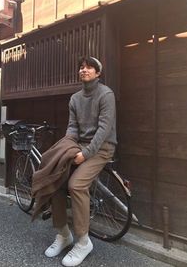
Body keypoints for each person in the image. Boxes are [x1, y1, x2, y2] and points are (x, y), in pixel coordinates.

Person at [44, 56, 117, 266]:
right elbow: (73, 128)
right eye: (82, 67)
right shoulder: (75, 98)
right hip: (80, 145)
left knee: (76, 185)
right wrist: (67, 146)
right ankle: (63, 234)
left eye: (89, 67)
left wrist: (86, 153)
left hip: (102, 147)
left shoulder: (106, 94)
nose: (84, 70)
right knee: (56, 179)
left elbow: (104, 129)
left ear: (98, 73)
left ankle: (83, 241)